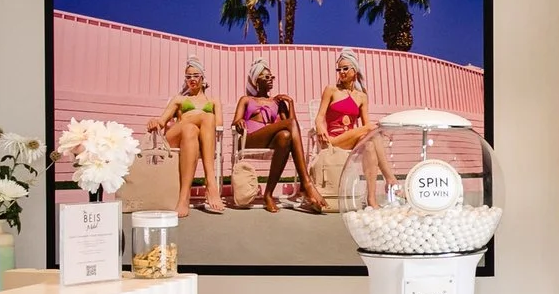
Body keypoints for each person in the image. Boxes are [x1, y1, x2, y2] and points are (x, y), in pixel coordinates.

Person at [231, 58, 327, 214]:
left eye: (272, 77)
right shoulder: (247, 99)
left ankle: (268, 194)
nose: (270, 80)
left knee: (284, 136)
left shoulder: (277, 102)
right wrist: (240, 120)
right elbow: (235, 121)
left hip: (270, 140)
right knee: (288, 127)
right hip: (250, 138)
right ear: (256, 80)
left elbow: (292, 124)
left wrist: (291, 103)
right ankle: (306, 183)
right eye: (266, 77)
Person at [321, 53, 397, 208]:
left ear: (354, 71)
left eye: (345, 68)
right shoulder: (331, 90)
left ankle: (371, 199)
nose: (341, 72)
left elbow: (366, 124)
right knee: (371, 129)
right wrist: (320, 129)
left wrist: (374, 132)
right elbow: (320, 116)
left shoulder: (362, 96)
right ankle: (390, 178)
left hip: (352, 140)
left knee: (370, 142)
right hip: (334, 140)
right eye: (339, 69)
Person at [149, 59, 224, 217]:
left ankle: (183, 199)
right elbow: (162, 121)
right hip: (176, 136)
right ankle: (210, 182)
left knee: (192, 129)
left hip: (194, 139)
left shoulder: (213, 101)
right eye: (188, 76)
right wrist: (155, 121)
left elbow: (218, 126)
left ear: (203, 78)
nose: (192, 79)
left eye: (195, 75)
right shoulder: (179, 99)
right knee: (204, 118)